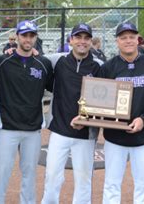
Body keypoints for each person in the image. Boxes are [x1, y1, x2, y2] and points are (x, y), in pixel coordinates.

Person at [98, 22, 144, 204]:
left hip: (143, 136)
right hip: (115, 136)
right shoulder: (108, 67)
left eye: (131, 36)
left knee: (143, 184)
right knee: (112, 184)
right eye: (123, 37)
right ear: (117, 41)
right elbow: (99, 101)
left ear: (138, 39)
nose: (128, 40)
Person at [0, 20, 54, 204]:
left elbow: (54, 86)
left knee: (29, 174)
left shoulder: (43, 64)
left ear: (35, 38)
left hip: (32, 129)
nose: (28, 39)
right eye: (24, 35)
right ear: (17, 37)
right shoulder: (2, 61)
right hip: (7, 128)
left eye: (31, 35)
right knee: (1, 173)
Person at [42, 23, 102, 204]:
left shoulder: (99, 66)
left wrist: (88, 118)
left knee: (83, 179)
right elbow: (32, 57)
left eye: (86, 38)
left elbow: (104, 101)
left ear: (91, 41)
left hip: (86, 133)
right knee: (52, 175)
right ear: (71, 40)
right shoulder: (57, 60)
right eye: (78, 37)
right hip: (59, 130)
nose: (82, 42)